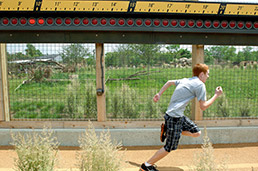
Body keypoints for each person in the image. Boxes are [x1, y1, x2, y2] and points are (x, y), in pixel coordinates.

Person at [140, 63, 223, 171]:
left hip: (177, 116)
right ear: (202, 74)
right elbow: (203, 107)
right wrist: (216, 95)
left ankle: (167, 130)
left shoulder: (185, 80)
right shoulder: (200, 85)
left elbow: (169, 82)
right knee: (169, 147)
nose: (208, 76)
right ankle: (146, 166)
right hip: (174, 117)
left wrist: (159, 94)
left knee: (196, 132)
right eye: (207, 74)